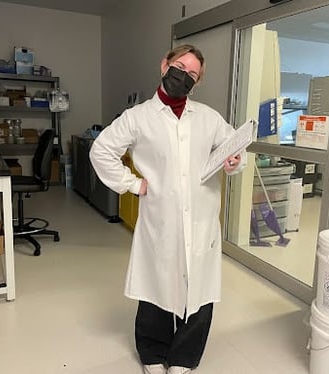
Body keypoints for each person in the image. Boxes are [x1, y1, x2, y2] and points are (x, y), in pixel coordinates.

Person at [89, 44, 246, 374]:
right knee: (155, 284)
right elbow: (101, 151)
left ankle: (184, 358)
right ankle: (152, 352)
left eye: (192, 74)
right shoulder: (137, 117)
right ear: (164, 65)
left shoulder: (208, 117)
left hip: (201, 218)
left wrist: (234, 160)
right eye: (179, 66)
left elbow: (235, 147)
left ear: (198, 82)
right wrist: (134, 184)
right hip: (160, 217)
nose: (183, 76)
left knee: (199, 288)